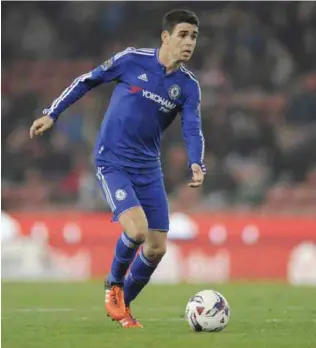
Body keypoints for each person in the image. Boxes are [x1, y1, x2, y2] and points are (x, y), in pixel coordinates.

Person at [30, 9, 206, 328]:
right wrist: (52, 113)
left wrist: (196, 161)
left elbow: (192, 127)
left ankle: (123, 306)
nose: (189, 42)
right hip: (112, 160)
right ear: (165, 37)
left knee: (156, 248)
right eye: (182, 34)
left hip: (149, 167)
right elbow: (86, 81)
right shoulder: (132, 60)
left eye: (193, 36)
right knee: (137, 231)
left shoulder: (188, 86)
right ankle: (113, 285)